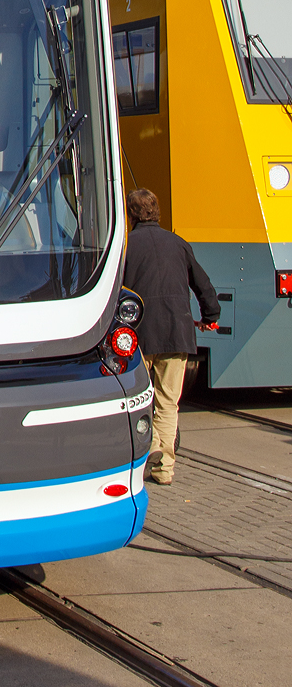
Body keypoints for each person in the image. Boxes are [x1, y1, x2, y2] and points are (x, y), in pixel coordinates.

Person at [122, 188, 220, 486]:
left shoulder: (125, 246)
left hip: (138, 336)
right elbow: (203, 285)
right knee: (167, 402)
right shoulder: (178, 244)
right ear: (157, 212)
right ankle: (165, 469)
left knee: (140, 399)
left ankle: (149, 450)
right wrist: (210, 317)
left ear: (130, 214)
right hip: (176, 332)